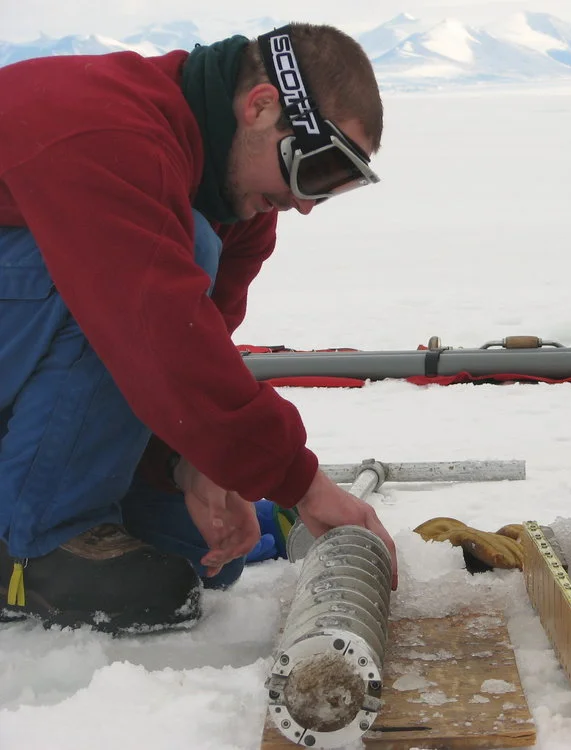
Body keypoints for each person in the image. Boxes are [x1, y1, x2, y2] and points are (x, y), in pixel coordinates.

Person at [0, 22, 398, 634]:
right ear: (261, 106)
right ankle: (37, 546)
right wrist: (302, 482)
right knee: (173, 251)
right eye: (312, 169)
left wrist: (193, 461)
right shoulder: (106, 129)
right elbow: (154, 332)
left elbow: (197, 350)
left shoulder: (237, 205)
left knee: (196, 550)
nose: (307, 203)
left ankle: (70, 513)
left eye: (334, 184)